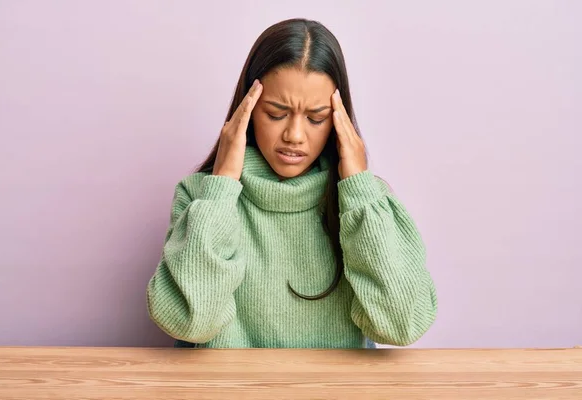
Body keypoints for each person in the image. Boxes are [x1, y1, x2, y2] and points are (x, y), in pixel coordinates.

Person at [146, 18, 437, 349]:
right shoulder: (201, 197)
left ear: (338, 120)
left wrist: (359, 188)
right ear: (249, 108)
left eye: (316, 118)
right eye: (275, 113)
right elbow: (188, 322)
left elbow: (402, 326)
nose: (295, 136)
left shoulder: (367, 205)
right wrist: (223, 185)